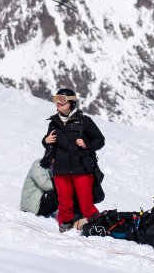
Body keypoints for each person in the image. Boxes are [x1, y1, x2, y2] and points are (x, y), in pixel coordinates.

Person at [42, 87, 105, 232]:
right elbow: (49, 145)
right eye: (56, 100)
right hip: (60, 170)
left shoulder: (84, 121)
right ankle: (65, 226)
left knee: (86, 202)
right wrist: (45, 141)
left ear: (71, 103)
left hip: (81, 169)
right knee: (64, 203)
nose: (58, 103)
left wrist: (86, 144)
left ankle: (97, 225)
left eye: (62, 100)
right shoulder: (53, 123)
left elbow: (100, 140)